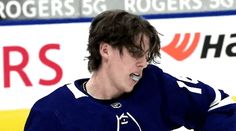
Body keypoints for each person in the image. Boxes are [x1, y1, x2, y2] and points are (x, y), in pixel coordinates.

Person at [24, 9, 236, 131]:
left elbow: (217, 102)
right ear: (105, 50)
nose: (143, 63)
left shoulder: (155, 85)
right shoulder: (52, 114)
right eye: (136, 53)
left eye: (146, 55)